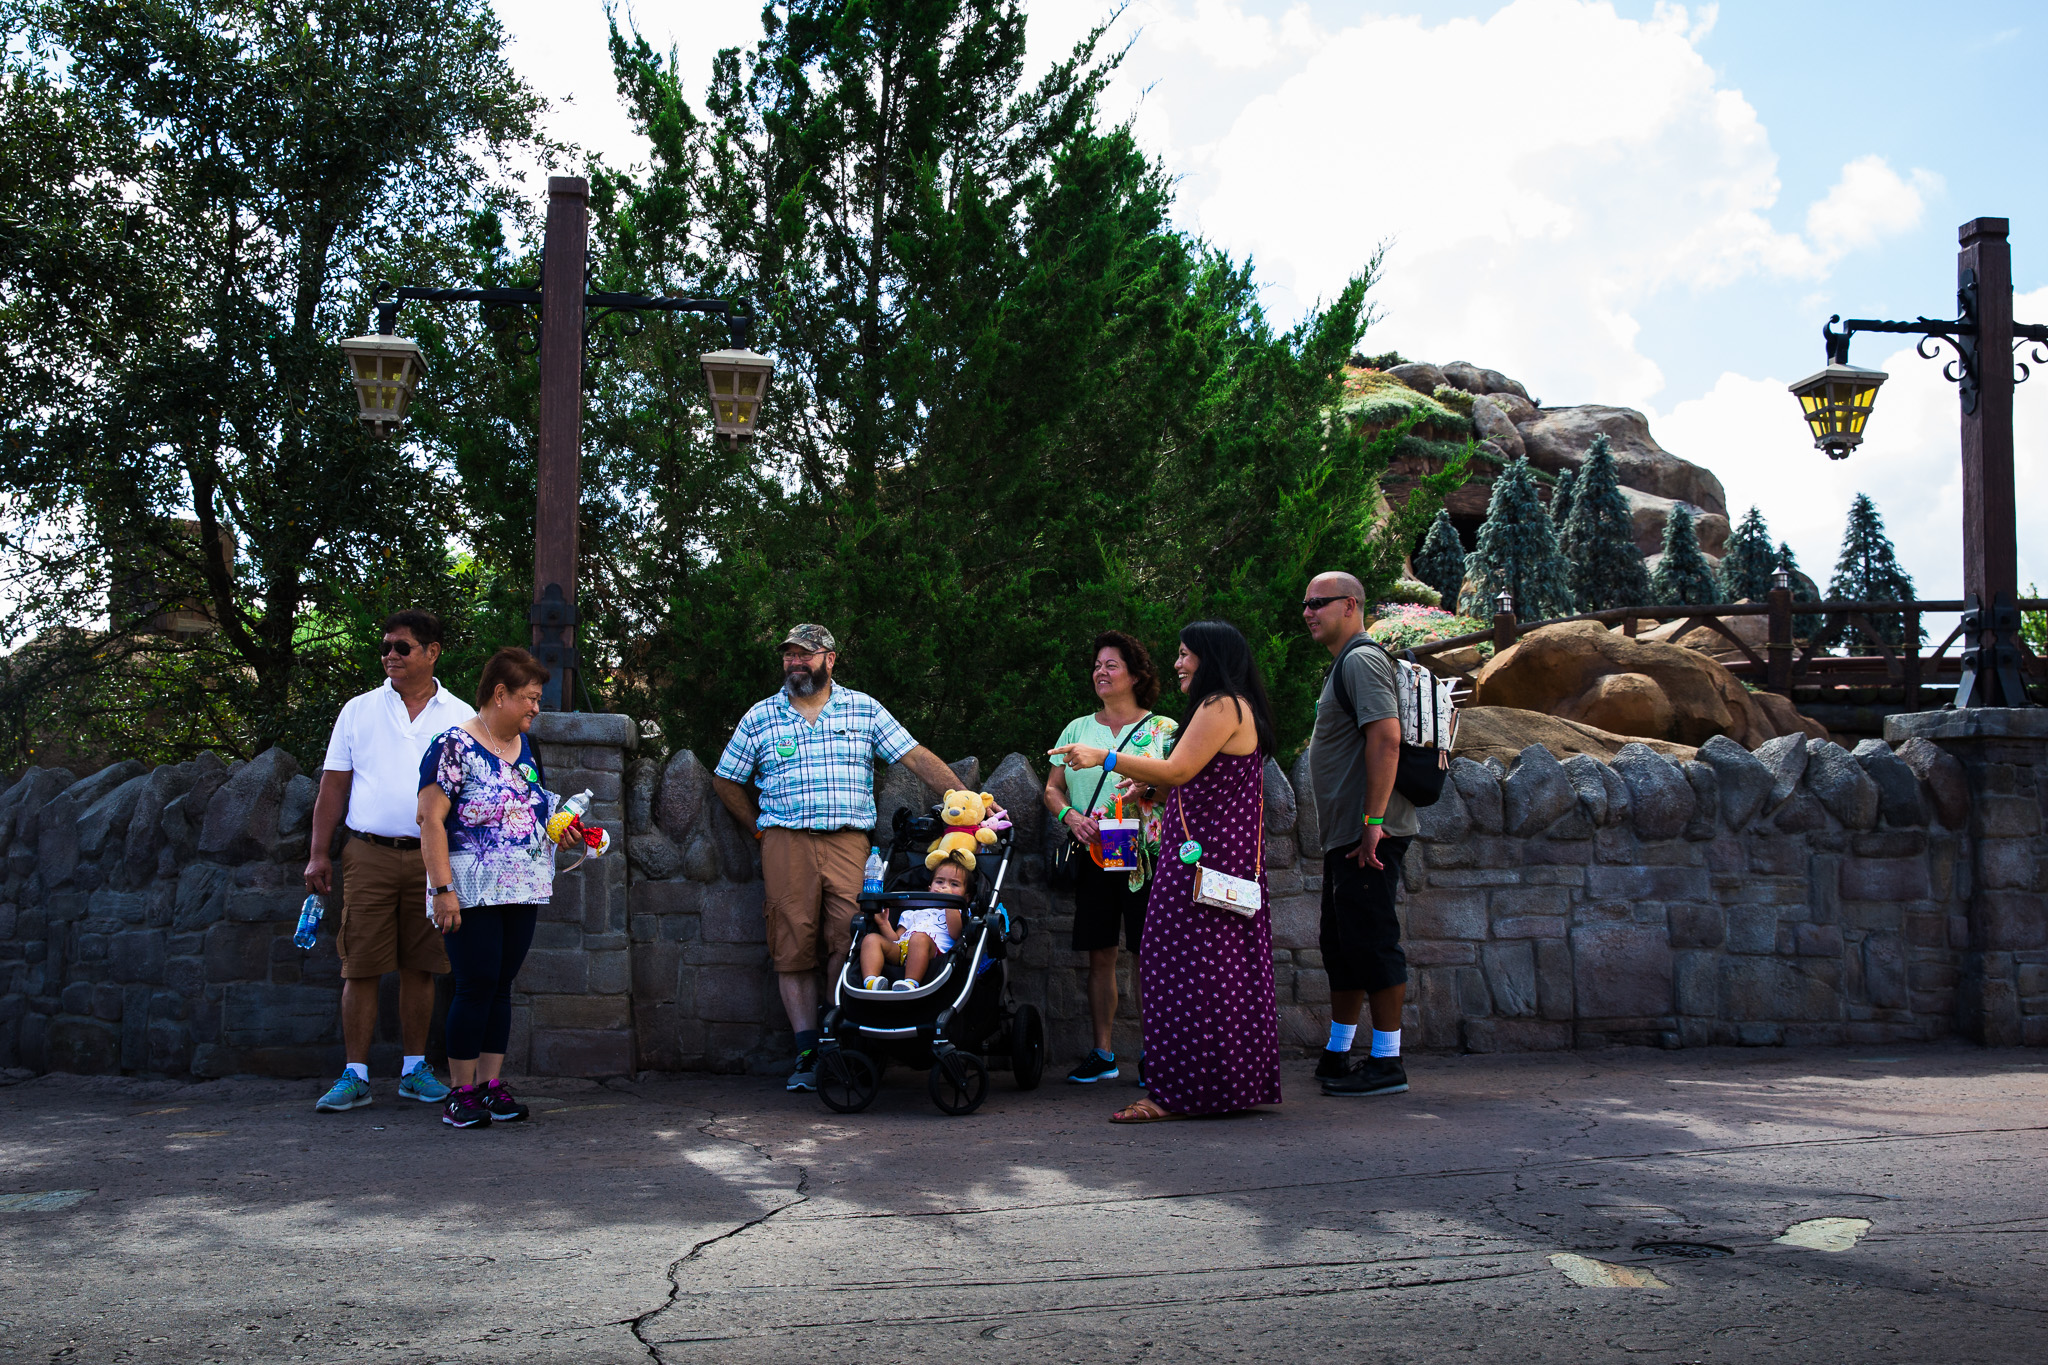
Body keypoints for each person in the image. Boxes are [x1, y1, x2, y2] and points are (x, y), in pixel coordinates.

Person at [711, 623, 965, 1092]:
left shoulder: (863, 709)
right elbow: (726, 779)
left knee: (847, 941)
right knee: (791, 947)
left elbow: (914, 756)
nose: (795, 662)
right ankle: (808, 1051)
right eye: (788, 655)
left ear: (830, 659)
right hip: (785, 842)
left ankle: (839, 1042)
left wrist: (968, 799)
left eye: (805, 654)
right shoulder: (761, 716)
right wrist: (758, 829)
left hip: (849, 843)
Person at [1050, 620, 1281, 1123]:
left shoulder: (1220, 705)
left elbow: (1177, 770)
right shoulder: (1235, 706)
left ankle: (1174, 1093)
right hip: (1222, 858)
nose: (1177, 662)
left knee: (1178, 970)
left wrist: (1107, 757)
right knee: (1219, 972)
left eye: (1184, 653)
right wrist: (1150, 791)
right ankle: (1226, 1084)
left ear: (1210, 656)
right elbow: (1193, 780)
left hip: (1201, 861)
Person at [305, 610, 473, 1113]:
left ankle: (413, 1069)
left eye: (402, 647)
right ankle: (354, 1074)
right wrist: (318, 852)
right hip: (368, 852)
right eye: (386, 648)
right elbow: (334, 785)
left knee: (422, 966)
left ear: (432, 651)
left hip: (430, 859)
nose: (390, 656)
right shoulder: (358, 710)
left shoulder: (461, 716)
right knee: (360, 965)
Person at [418, 647, 578, 1130]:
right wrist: (443, 889)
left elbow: (535, 809)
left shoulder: (527, 747)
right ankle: (459, 1092)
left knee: (502, 987)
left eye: (538, 700)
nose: (536, 708)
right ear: (500, 693)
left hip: (523, 885)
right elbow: (430, 819)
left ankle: (489, 1087)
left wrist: (563, 829)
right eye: (530, 699)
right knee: (474, 984)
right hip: (469, 888)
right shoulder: (451, 746)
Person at [1043, 631, 1177, 1084]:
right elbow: (1051, 788)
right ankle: (1102, 1054)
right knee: (1100, 954)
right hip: (1096, 854)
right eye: (1097, 664)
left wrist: (1149, 788)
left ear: (1137, 674)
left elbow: (1178, 784)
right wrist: (1070, 817)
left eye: (1112, 664)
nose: (1101, 671)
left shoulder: (1164, 730)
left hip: (1146, 856)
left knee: (1147, 955)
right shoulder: (1077, 729)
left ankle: (1152, 1055)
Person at [1302, 571, 1414, 1098]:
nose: (1308, 611)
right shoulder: (1344, 665)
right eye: (1305, 604)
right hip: (1348, 833)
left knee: (1372, 943)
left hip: (1369, 832)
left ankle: (1387, 1061)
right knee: (1340, 946)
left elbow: (1387, 739)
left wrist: (1373, 823)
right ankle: (1339, 1051)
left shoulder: (1363, 659)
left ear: (1350, 605)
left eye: (1318, 603)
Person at [859, 854, 970, 990]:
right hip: (902, 950)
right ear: (929, 888)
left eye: (954, 884)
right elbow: (897, 939)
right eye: (939, 882)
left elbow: (956, 933)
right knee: (871, 939)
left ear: (966, 897)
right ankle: (871, 982)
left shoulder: (958, 912)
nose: (945, 887)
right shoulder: (913, 913)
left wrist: (949, 902)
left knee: (919, 938)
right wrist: (883, 923)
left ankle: (911, 982)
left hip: (934, 952)